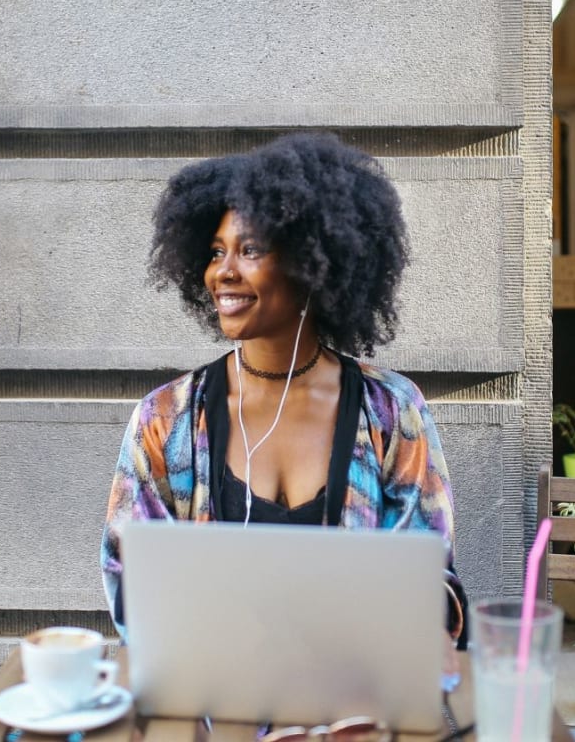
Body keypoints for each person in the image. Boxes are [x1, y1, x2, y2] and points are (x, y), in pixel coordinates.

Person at [100, 133, 467, 651]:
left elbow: (429, 579)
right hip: (212, 713)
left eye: (250, 250)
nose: (223, 272)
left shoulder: (391, 411)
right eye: (214, 252)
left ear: (311, 262)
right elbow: (129, 579)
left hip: (352, 713)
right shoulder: (165, 419)